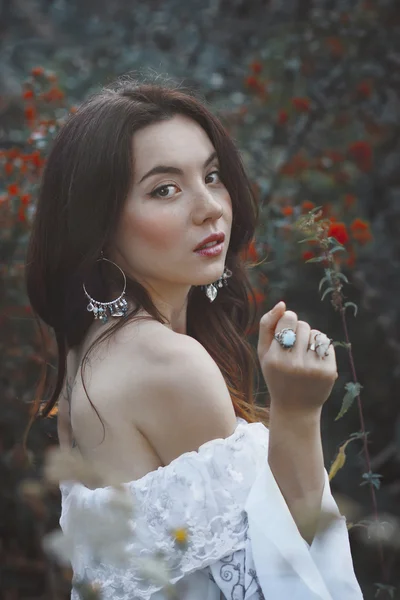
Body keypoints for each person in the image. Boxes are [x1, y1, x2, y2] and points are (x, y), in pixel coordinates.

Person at [25, 74, 364, 599]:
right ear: (99, 224)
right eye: (165, 189)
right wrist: (298, 411)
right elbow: (270, 583)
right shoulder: (168, 364)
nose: (210, 207)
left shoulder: (89, 353)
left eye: (211, 175)